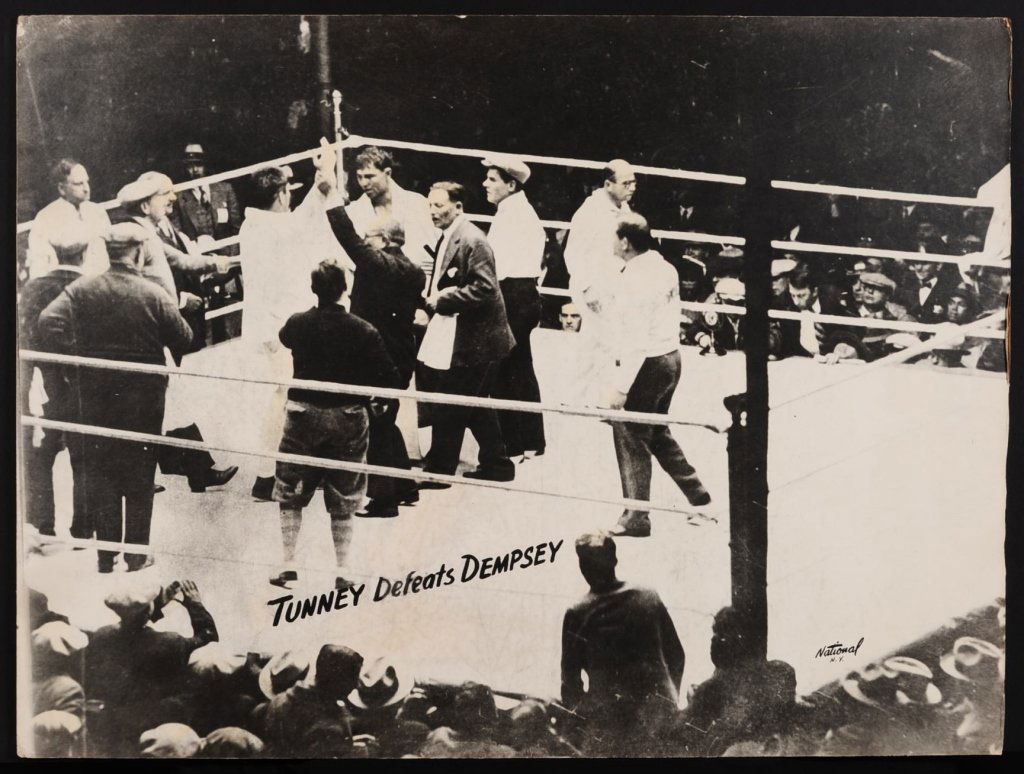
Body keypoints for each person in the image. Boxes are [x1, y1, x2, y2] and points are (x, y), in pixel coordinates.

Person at [37, 222, 194, 572]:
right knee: (139, 474)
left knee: (102, 470)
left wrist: (76, 356)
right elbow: (184, 337)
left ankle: (106, 556)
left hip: (94, 394)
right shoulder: (152, 293)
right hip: (144, 397)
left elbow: (48, 321)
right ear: (138, 252)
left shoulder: (82, 289)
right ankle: (136, 556)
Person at [271, 259, 400, 591]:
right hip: (347, 416)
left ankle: (288, 564)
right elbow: (390, 376)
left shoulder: (297, 324)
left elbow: (285, 338)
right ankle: (343, 569)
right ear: (346, 289)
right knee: (345, 493)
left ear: (313, 288)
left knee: (291, 489)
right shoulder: (364, 330)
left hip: (302, 414)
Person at [234, 144, 352, 499]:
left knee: (290, 397)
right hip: (281, 327)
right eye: (287, 190)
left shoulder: (254, 225)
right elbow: (307, 213)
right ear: (281, 193)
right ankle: (269, 475)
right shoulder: (273, 228)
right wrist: (324, 172)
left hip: (273, 325)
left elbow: (300, 216)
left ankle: (279, 473)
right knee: (287, 398)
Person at [117, 172, 239, 493]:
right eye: (163, 196)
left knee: (170, 400)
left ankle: (197, 471)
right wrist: (179, 301)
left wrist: (216, 265)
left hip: (152, 328)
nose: (170, 200)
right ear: (145, 205)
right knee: (155, 403)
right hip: (144, 331)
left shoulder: (147, 233)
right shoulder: (132, 236)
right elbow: (137, 284)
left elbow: (180, 261)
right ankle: (161, 474)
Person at [602, 214, 710, 538]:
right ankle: (700, 498)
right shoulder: (663, 267)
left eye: (613, 236)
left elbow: (635, 335)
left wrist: (620, 387)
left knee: (630, 434)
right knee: (657, 434)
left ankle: (636, 516)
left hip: (648, 361)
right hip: (670, 357)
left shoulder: (636, 278)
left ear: (625, 241)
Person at [323, 207, 424, 517]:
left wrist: (331, 200)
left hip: (380, 359)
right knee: (385, 420)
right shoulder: (410, 269)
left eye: (370, 237)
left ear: (384, 241)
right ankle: (405, 486)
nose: (365, 243)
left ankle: (384, 499)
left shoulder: (383, 266)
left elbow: (349, 239)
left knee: (377, 425)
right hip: (400, 356)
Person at [417, 182, 516, 486]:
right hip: (471, 336)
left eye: (439, 206)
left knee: (454, 400)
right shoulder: (453, 236)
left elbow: (485, 288)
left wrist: (441, 300)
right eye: (430, 206)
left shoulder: (472, 239)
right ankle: (498, 464)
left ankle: (439, 470)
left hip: (480, 339)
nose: (433, 212)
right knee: (470, 402)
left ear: (457, 207)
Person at [561, 532, 684, 755]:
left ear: (613, 560)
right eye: (586, 563)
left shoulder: (579, 612)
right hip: (650, 717)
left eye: (593, 562)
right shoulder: (647, 596)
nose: (590, 569)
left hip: (612, 725)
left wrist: (579, 720)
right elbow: (676, 655)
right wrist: (669, 702)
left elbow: (570, 680)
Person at [84, 579, 218, 755]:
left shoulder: (102, 636)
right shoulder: (170, 642)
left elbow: (132, 629)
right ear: (147, 611)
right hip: (152, 722)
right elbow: (207, 638)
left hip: (112, 721)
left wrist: (155, 606)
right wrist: (195, 605)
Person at [19, 222, 91, 539]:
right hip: (77, 384)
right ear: (84, 253)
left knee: (40, 454)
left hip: (39, 381)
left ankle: (42, 523)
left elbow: (23, 337)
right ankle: (83, 524)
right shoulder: (88, 287)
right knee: (83, 453)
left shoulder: (33, 289)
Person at [480, 155, 546, 458]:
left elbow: (498, 265)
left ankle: (515, 441)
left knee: (505, 368)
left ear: (511, 184)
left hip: (513, 295)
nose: (485, 184)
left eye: (492, 180)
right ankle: (529, 439)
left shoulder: (514, 215)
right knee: (519, 366)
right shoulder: (517, 211)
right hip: (523, 294)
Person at [562, 159, 636, 405]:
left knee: (603, 342)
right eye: (626, 183)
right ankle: (577, 397)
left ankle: (587, 398)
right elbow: (572, 253)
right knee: (598, 341)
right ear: (607, 184)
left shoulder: (624, 210)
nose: (632, 187)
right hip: (592, 286)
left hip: (613, 286)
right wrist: (587, 288)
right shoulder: (589, 212)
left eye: (633, 182)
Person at [253, 644, 364, 758]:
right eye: (353, 678)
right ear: (337, 681)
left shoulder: (279, 700)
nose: (356, 685)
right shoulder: (330, 728)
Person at [345, 145, 436, 279]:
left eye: (370, 176)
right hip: (371, 287)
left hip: (415, 286)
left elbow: (431, 251)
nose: (364, 183)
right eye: (360, 177)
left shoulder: (417, 204)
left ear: (387, 173)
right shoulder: (353, 211)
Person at [26, 159, 111, 279]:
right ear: (62, 188)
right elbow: (39, 269)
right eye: (78, 184)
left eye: (87, 182)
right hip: (66, 287)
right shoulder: (46, 217)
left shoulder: (97, 212)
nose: (86, 188)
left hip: (101, 286)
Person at [170, 143, 242, 254]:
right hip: (198, 259)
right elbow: (178, 237)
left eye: (199, 164)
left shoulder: (225, 190)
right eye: (190, 165)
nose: (195, 170)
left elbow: (236, 229)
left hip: (228, 258)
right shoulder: (178, 197)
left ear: (206, 164)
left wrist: (232, 259)